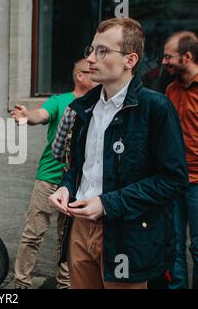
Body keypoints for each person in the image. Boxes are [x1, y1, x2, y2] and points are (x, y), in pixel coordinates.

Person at [48, 17, 188, 289]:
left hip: (127, 234)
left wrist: (107, 203)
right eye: (91, 50)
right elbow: (79, 168)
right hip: (79, 229)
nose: (91, 58)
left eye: (102, 51)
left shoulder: (155, 108)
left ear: (130, 59)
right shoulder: (83, 107)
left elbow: (173, 180)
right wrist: (66, 187)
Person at [11, 59, 97, 289]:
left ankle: (65, 285)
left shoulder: (98, 103)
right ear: (80, 76)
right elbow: (41, 115)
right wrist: (26, 115)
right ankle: (22, 284)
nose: (97, 74)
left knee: (67, 239)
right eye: (91, 72)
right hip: (49, 178)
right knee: (33, 234)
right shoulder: (60, 101)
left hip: (77, 183)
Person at [162, 31, 198, 289]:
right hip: (173, 181)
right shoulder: (170, 90)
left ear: (187, 57)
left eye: (168, 56)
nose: (163, 62)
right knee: (172, 246)